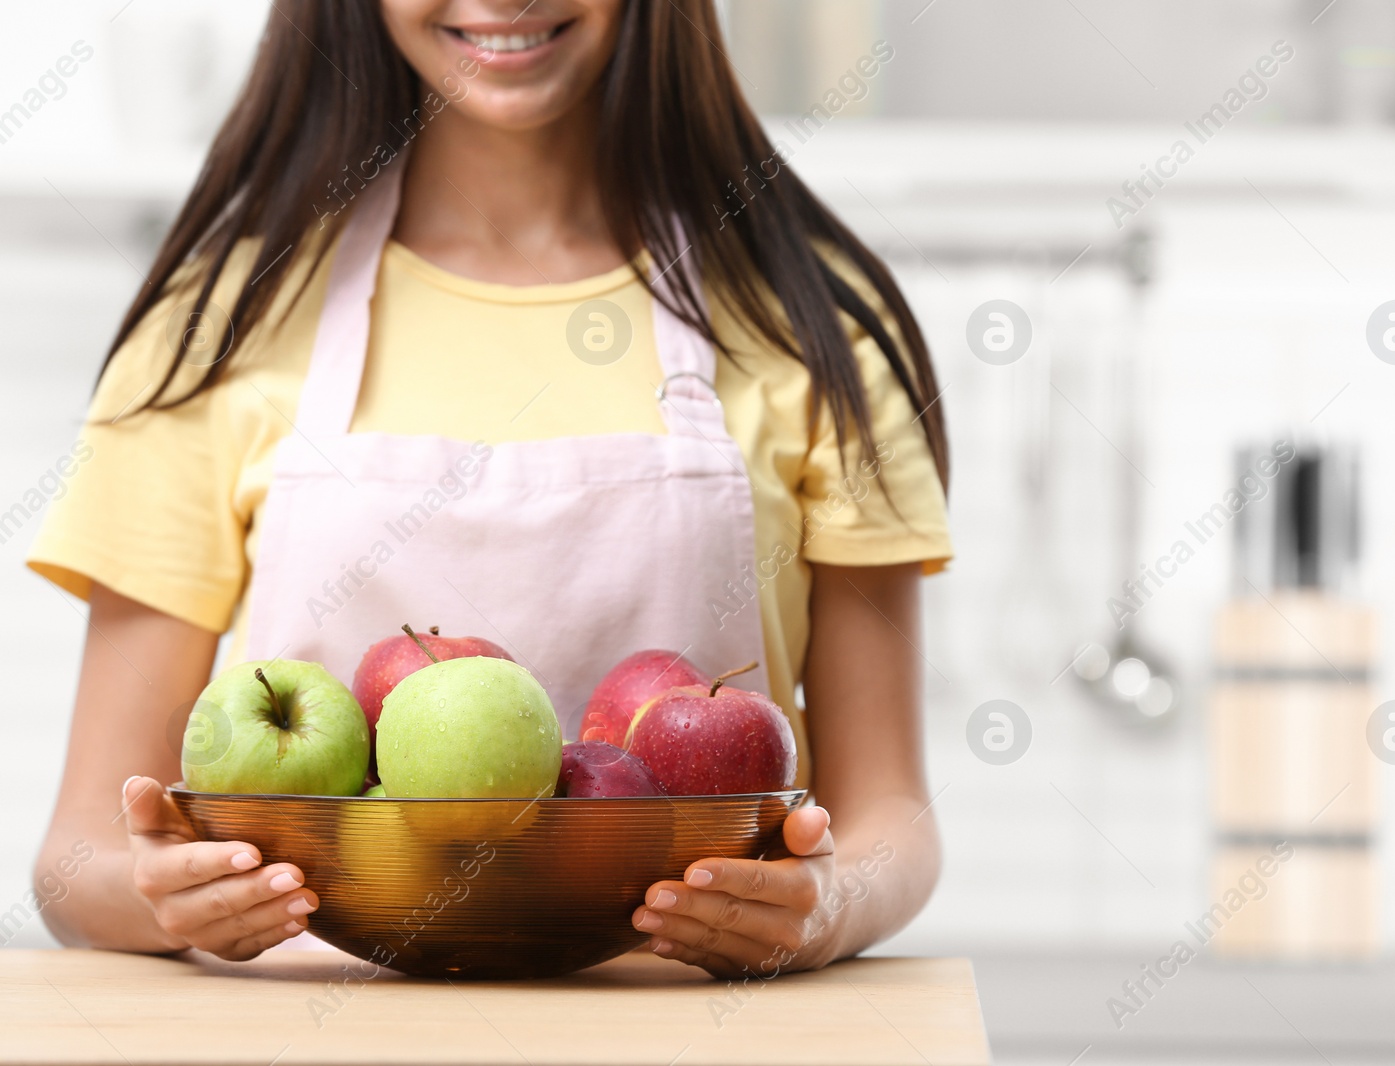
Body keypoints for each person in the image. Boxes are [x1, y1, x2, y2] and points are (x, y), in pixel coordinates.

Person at [27, 0, 950, 978]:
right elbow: (77, 856)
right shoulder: (214, 331)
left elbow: (890, 814)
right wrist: (165, 896)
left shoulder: (810, 326)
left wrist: (831, 903)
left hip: (688, 1030)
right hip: (322, 1030)